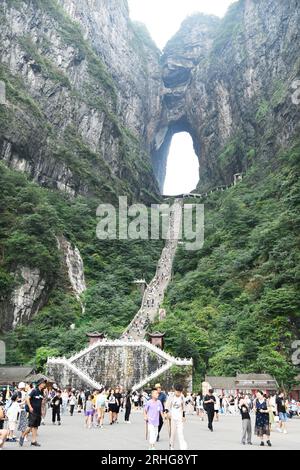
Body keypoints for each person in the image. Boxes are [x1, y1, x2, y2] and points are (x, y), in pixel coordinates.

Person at [19, 378, 47, 447]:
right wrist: (30, 407)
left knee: (35, 426)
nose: (44, 384)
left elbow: (41, 402)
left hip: (38, 412)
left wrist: (41, 411)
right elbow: (27, 398)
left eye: (44, 383)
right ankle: (22, 435)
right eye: (43, 383)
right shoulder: (34, 391)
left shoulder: (41, 392)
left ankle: (33, 441)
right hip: (33, 411)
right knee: (30, 426)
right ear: (39, 384)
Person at [165, 385, 187, 450]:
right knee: (173, 434)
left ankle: (182, 447)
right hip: (173, 418)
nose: (178, 393)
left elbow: (183, 407)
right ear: (175, 390)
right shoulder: (171, 396)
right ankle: (172, 447)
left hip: (179, 418)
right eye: (177, 392)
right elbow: (167, 406)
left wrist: (183, 416)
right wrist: (167, 413)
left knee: (180, 433)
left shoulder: (182, 397)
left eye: (180, 392)